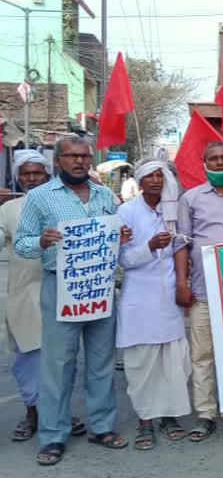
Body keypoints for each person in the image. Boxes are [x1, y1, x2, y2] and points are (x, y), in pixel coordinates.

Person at [14, 136, 132, 466]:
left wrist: (121, 236)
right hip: (59, 287)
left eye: (84, 156)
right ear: (58, 161)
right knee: (58, 366)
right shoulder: (39, 198)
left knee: (101, 362)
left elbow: (115, 234)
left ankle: (101, 426)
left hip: (99, 288)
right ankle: (53, 436)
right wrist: (41, 240)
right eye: (72, 156)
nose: (79, 162)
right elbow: (21, 244)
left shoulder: (104, 195)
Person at [0, 151, 86, 442]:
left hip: (62, 290)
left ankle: (58, 413)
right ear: (18, 177)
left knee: (61, 358)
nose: (31, 178)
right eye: (26, 174)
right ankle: (33, 413)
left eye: (37, 173)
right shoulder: (8, 209)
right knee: (28, 358)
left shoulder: (63, 203)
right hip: (24, 295)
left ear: (48, 174)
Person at [175, 141, 223, 443]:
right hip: (203, 290)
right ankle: (206, 413)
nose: (220, 163)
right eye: (214, 159)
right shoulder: (191, 199)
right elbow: (182, 243)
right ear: (204, 162)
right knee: (203, 353)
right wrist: (181, 284)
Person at [116, 160, 191, 450]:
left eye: (161, 175)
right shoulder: (126, 212)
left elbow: (182, 248)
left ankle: (169, 417)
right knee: (142, 363)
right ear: (140, 181)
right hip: (139, 297)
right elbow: (124, 259)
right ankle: (145, 421)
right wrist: (150, 247)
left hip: (168, 297)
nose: (157, 181)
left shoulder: (173, 212)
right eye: (151, 176)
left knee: (172, 361)